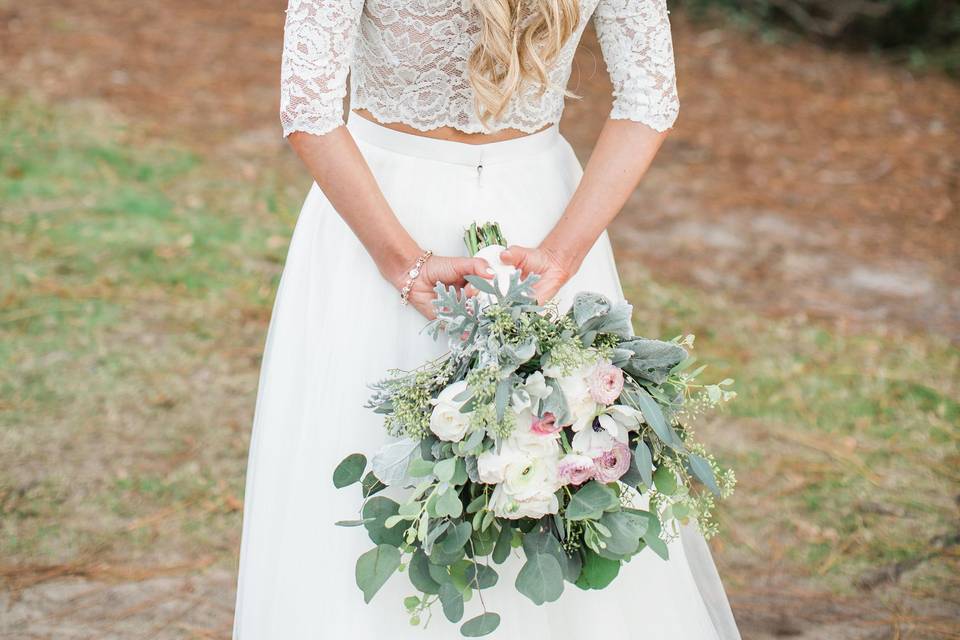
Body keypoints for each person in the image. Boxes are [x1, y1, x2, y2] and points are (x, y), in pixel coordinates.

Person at [232, 1, 741, 638]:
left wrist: (407, 265)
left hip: (390, 207)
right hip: (525, 221)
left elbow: (308, 106)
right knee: (546, 460)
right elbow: (649, 101)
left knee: (400, 468)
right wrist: (560, 254)